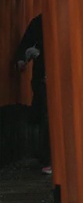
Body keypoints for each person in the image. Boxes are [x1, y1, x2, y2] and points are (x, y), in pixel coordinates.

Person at [16, 13, 51, 175]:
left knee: (47, 116)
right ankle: (47, 158)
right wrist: (22, 58)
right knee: (45, 115)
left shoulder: (41, 21)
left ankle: (47, 158)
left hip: (47, 75)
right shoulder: (40, 21)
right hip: (42, 76)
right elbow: (26, 43)